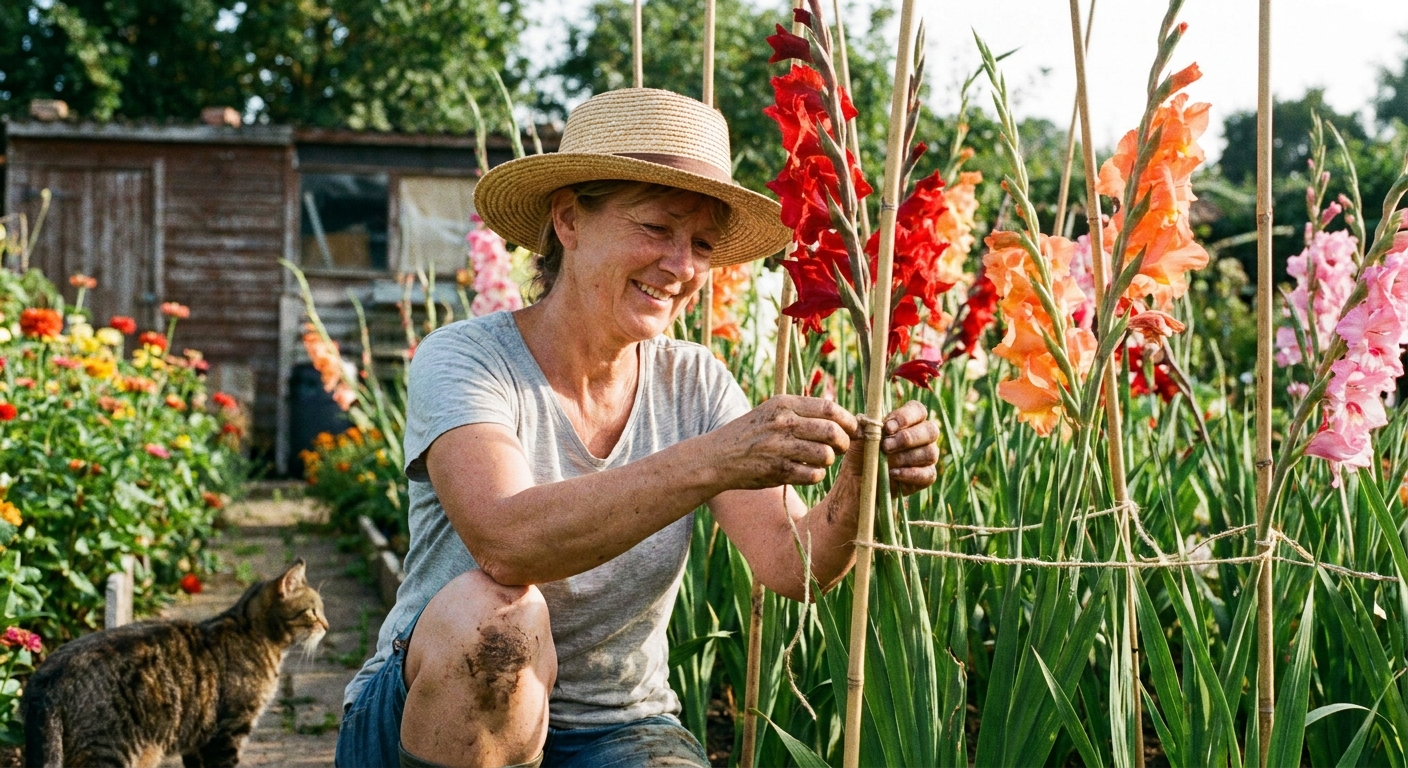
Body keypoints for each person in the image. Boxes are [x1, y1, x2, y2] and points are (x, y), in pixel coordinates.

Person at [336, 87, 940, 768]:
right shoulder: (468, 357)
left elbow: (790, 564)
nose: (681, 267)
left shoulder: (695, 381)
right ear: (568, 221)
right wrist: (711, 460)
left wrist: (863, 484)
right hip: (434, 720)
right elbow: (506, 543)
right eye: (656, 228)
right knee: (495, 620)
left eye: (702, 244)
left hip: (618, 730)